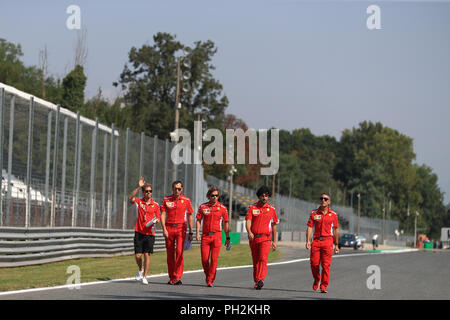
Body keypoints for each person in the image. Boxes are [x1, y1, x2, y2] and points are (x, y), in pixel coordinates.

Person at [160, 180, 194, 285]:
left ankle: (178, 276)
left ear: (182, 189)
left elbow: (189, 215)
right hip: (169, 228)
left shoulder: (186, 200)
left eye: (179, 189)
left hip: (181, 228)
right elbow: (162, 214)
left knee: (179, 252)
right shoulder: (166, 199)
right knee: (170, 254)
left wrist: (191, 231)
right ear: (172, 189)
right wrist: (164, 228)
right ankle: (172, 277)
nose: (177, 190)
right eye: (175, 188)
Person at [196, 186, 230, 287]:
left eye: (216, 195)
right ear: (209, 196)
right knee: (204, 259)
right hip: (205, 236)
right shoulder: (203, 207)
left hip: (217, 236)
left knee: (214, 259)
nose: (215, 197)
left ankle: (210, 280)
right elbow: (198, 220)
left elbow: (226, 223)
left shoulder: (223, 208)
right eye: (212, 195)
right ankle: (209, 276)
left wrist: (227, 237)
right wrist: (197, 232)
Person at [245, 185, 278, 290]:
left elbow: (274, 225)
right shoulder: (252, 207)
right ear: (259, 197)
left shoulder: (272, 209)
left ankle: (260, 279)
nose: (264, 198)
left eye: (266, 196)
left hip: (266, 238)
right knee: (255, 260)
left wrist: (274, 241)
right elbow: (248, 221)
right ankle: (257, 281)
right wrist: (249, 231)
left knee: (262, 258)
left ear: (268, 197)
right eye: (262, 196)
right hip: (254, 238)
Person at [128, 177, 160, 285]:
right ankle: (140, 268)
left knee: (147, 254)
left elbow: (158, 217)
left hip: (150, 233)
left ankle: (145, 276)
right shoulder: (139, 201)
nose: (149, 193)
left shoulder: (155, 205)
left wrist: (156, 221)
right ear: (143, 193)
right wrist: (139, 186)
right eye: (146, 191)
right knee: (138, 256)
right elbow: (131, 197)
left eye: (150, 191)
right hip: (139, 232)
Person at [306, 193, 339, 293]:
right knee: (314, 264)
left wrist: (336, 245)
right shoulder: (314, 213)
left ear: (329, 202)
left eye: (325, 199)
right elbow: (310, 227)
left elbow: (335, 230)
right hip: (316, 241)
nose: (323, 200)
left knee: (325, 265)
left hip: (328, 241)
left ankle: (324, 286)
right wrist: (308, 240)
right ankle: (317, 279)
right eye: (321, 199)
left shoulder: (333, 215)